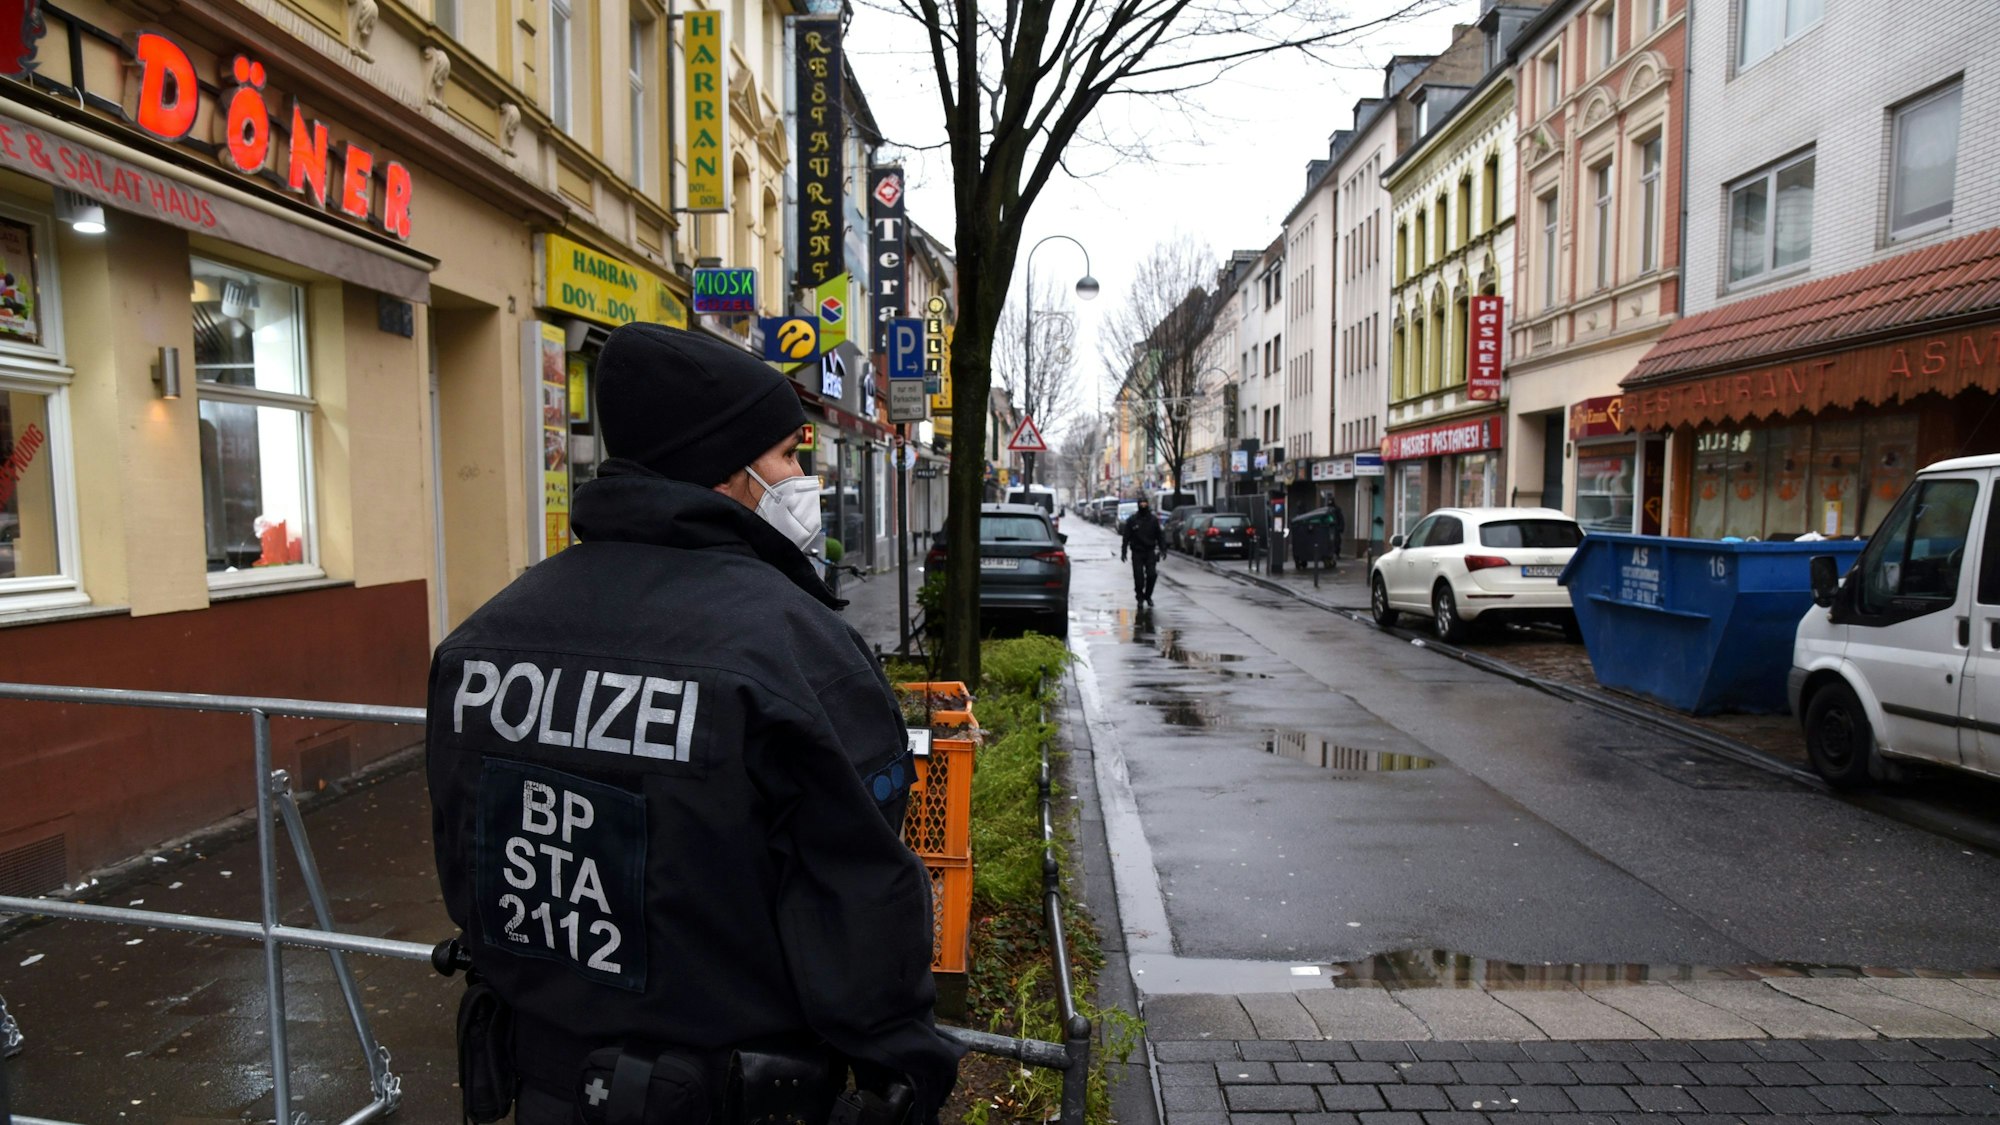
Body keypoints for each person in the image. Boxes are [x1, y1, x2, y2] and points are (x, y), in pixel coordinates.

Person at [426, 322, 962, 1125]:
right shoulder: (797, 651)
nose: (799, 476)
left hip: (542, 1086)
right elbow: (860, 906)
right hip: (732, 1097)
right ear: (728, 470)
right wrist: (906, 1070)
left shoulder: (479, 643)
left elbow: (472, 867)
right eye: (786, 454)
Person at [1121, 498, 1164, 605]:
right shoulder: (1132, 520)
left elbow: (1159, 535)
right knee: (1138, 577)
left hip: (1150, 551)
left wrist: (1163, 549)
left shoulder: (1153, 520)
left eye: (1145, 503)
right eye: (1141, 504)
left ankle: (1148, 596)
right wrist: (1124, 551)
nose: (1143, 506)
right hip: (1137, 552)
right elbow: (1126, 536)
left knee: (1152, 575)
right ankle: (1139, 596)